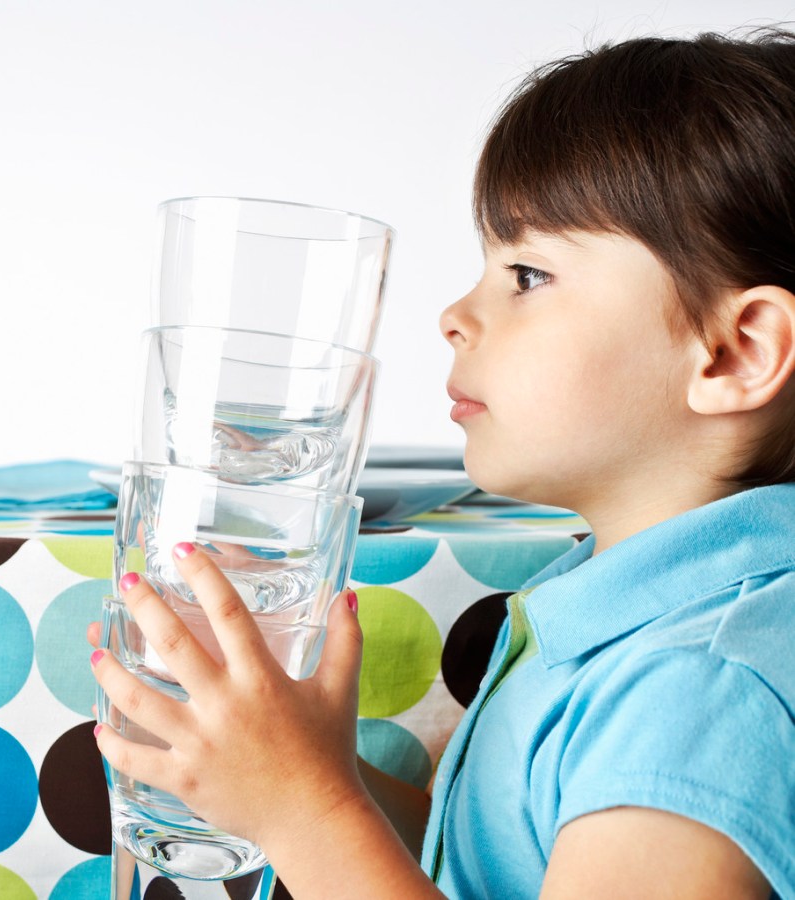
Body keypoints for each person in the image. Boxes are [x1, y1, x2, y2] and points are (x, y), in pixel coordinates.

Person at [91, 27, 795, 899]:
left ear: (735, 353)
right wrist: (305, 768)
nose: (453, 315)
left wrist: (304, 811)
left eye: (527, 274)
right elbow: (495, 869)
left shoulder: (699, 692)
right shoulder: (634, 614)